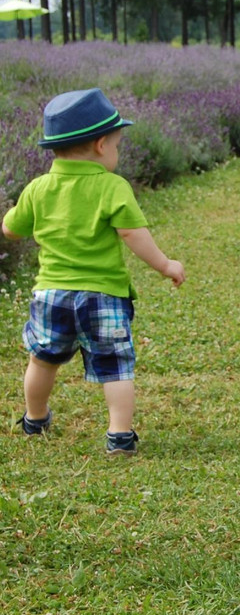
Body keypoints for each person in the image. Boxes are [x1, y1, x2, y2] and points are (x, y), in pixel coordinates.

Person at [2, 88, 185, 456]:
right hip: (102, 296)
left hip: (50, 294)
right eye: (117, 145)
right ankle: (119, 434)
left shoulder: (38, 187)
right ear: (102, 145)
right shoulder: (111, 186)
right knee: (115, 365)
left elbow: (10, 229)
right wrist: (165, 265)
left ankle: (35, 418)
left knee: (42, 359)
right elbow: (132, 233)